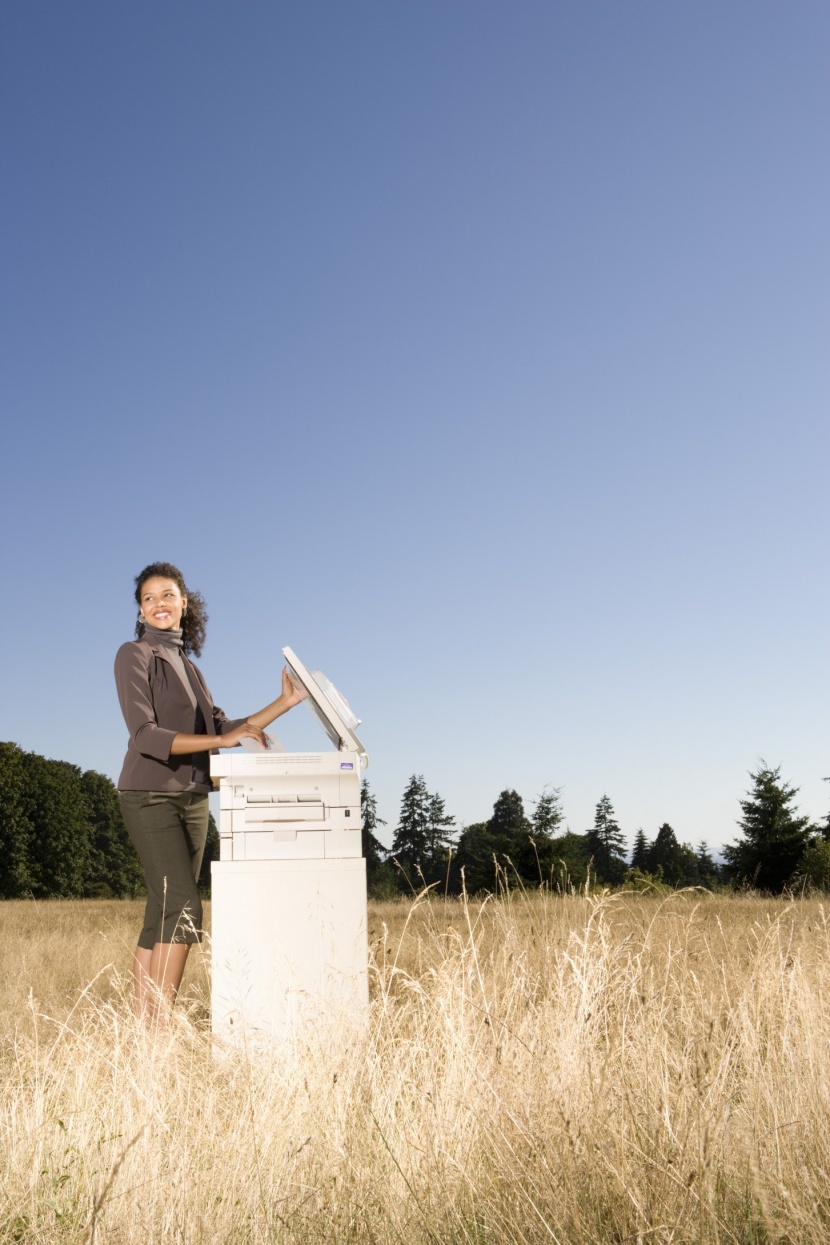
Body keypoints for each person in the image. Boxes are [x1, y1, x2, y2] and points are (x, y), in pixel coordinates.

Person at [114, 561, 305, 1020]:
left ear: (184, 603)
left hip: (194, 798)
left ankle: (143, 1034)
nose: (159, 604)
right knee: (183, 909)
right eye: (148, 598)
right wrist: (221, 741)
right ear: (141, 612)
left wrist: (284, 702)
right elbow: (146, 735)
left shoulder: (189, 668)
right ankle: (159, 1035)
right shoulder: (134, 655)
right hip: (150, 794)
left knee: (161, 912)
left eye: (167, 595)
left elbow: (222, 727)